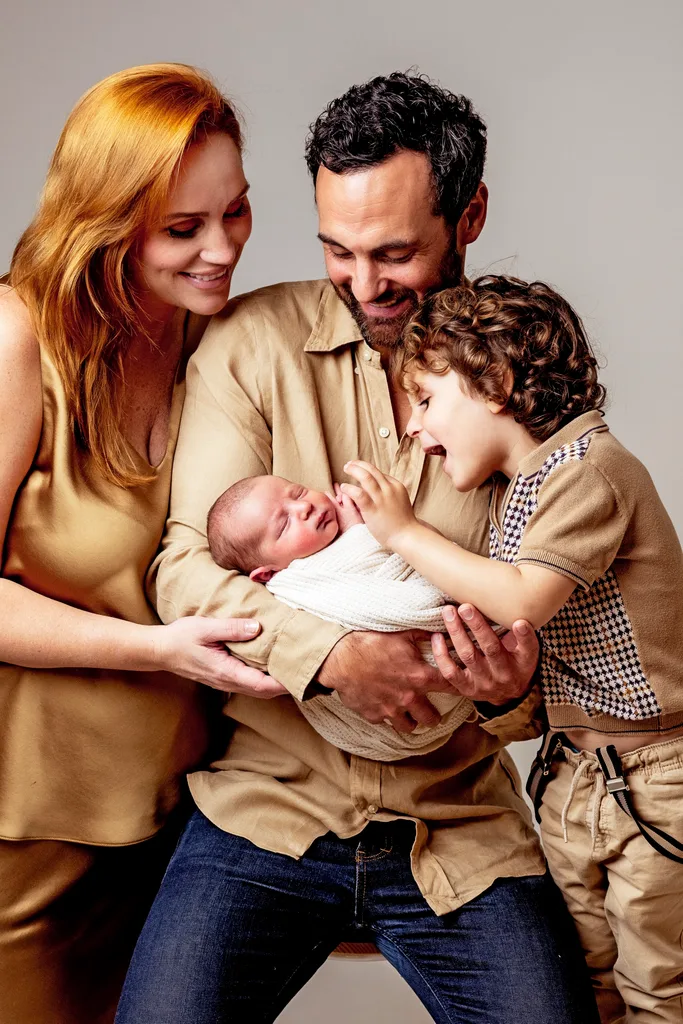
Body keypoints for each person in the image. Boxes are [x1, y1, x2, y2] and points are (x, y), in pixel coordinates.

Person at [116, 72, 599, 1024]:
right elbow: (184, 568)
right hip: (264, 806)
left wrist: (511, 691)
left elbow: (583, 618)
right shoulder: (251, 345)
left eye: (394, 253)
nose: (364, 285)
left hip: (459, 821)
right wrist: (334, 657)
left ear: (470, 217)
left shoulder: (533, 382)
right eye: (338, 250)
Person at [0, 63, 284, 1024]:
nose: (221, 251)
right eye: (181, 229)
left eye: (236, 212)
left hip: (189, 815)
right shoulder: (18, 339)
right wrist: (155, 650)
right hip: (29, 827)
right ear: (107, 220)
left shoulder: (224, 343)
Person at [343, 274, 683, 1022]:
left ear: (493, 382)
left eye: (427, 401)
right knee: (585, 983)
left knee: (656, 987)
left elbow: (524, 598)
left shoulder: (590, 469)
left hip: (655, 777)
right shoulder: (516, 490)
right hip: (573, 773)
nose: (414, 429)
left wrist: (402, 532)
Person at [207, 472, 481, 760]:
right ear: (268, 573)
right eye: (285, 524)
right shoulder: (294, 584)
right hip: (380, 715)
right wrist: (359, 533)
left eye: (298, 492)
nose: (304, 508)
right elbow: (426, 602)